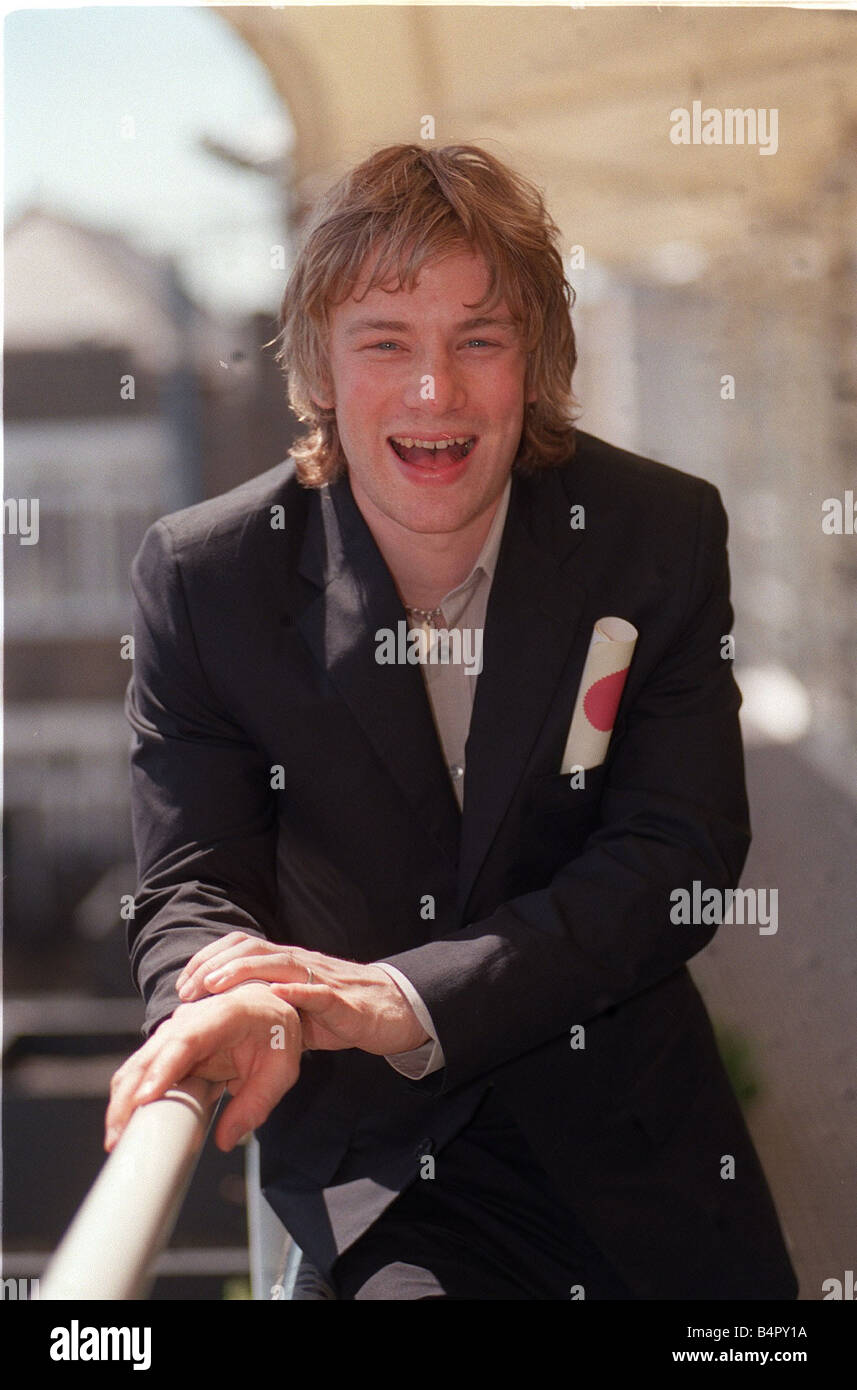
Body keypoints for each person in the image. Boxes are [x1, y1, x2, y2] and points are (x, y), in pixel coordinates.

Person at [106, 143, 798, 1300]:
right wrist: (219, 985)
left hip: (638, 1154)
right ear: (321, 366)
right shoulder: (206, 578)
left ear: (535, 363)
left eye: (479, 339)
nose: (436, 391)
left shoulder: (656, 533)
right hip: (382, 1176)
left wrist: (406, 997)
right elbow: (188, 883)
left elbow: (676, 851)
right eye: (386, 341)